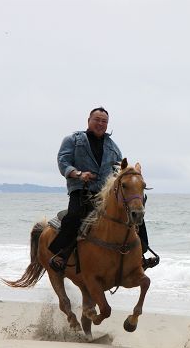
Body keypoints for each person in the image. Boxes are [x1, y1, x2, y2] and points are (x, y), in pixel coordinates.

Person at [48, 107, 158, 272]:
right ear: (89, 121)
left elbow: (120, 171)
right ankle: (62, 255)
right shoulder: (73, 140)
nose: (100, 123)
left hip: (105, 195)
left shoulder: (113, 147)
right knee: (75, 216)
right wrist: (78, 173)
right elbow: (63, 162)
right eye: (97, 119)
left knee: (136, 214)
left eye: (104, 121)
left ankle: (140, 255)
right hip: (81, 190)